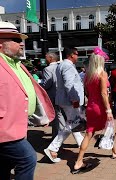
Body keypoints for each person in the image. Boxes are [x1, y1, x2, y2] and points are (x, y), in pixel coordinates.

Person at [0, 21, 55, 180]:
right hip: (5, 128)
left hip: (18, 124)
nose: (22, 43)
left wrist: (40, 114)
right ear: (1, 43)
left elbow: (26, 92)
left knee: (4, 163)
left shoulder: (16, 63)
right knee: (27, 159)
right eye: (16, 40)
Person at [72, 47, 116, 174]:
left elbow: (88, 93)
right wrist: (108, 110)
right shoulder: (102, 74)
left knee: (89, 133)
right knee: (111, 128)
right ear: (100, 61)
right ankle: (115, 152)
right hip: (100, 107)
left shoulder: (87, 76)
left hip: (91, 106)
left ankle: (79, 161)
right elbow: (103, 93)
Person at [44, 47, 84, 163]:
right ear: (72, 55)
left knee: (73, 124)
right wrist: (74, 99)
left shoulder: (61, 65)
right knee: (72, 124)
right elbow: (69, 85)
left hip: (64, 100)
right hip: (70, 101)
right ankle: (52, 148)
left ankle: (82, 145)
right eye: (77, 54)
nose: (78, 56)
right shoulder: (67, 66)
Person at [41, 52, 65, 139]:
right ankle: (55, 137)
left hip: (53, 96)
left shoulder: (48, 69)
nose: (45, 59)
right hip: (63, 96)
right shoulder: (61, 67)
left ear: (51, 58)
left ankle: (58, 138)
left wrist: (40, 85)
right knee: (61, 118)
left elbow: (47, 84)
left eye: (46, 57)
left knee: (56, 118)